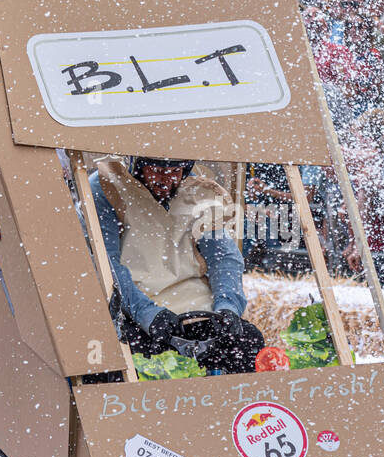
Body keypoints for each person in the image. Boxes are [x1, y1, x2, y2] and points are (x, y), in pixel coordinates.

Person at [89, 156, 264, 374]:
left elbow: (223, 258)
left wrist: (228, 307)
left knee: (247, 342)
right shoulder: (106, 186)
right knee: (115, 359)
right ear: (137, 164)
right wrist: (147, 314)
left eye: (175, 171)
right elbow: (107, 263)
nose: (166, 180)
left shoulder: (198, 193)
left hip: (195, 305)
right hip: (132, 308)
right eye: (156, 170)